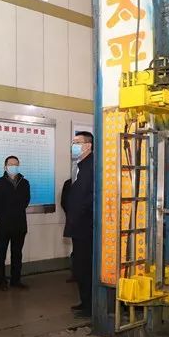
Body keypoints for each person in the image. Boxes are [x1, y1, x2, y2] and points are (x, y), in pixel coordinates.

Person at [0, 156, 31, 291]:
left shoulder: (24, 183)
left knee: (17, 253)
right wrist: (1, 217)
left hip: (20, 224)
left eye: (16, 164)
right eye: (10, 164)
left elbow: (26, 201)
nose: (13, 166)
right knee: (0, 253)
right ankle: (1, 281)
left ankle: (15, 280)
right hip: (3, 225)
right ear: (5, 166)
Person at [64, 131, 94, 318]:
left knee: (86, 267)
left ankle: (91, 306)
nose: (73, 146)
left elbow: (90, 197)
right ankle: (85, 302)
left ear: (88, 145)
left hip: (86, 227)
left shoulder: (92, 167)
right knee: (80, 267)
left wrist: (80, 214)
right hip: (78, 225)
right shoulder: (79, 166)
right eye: (73, 142)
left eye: (77, 142)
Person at [61, 178, 77, 284]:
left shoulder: (92, 180)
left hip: (88, 223)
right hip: (76, 223)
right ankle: (76, 273)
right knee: (77, 249)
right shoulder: (68, 183)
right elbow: (64, 202)